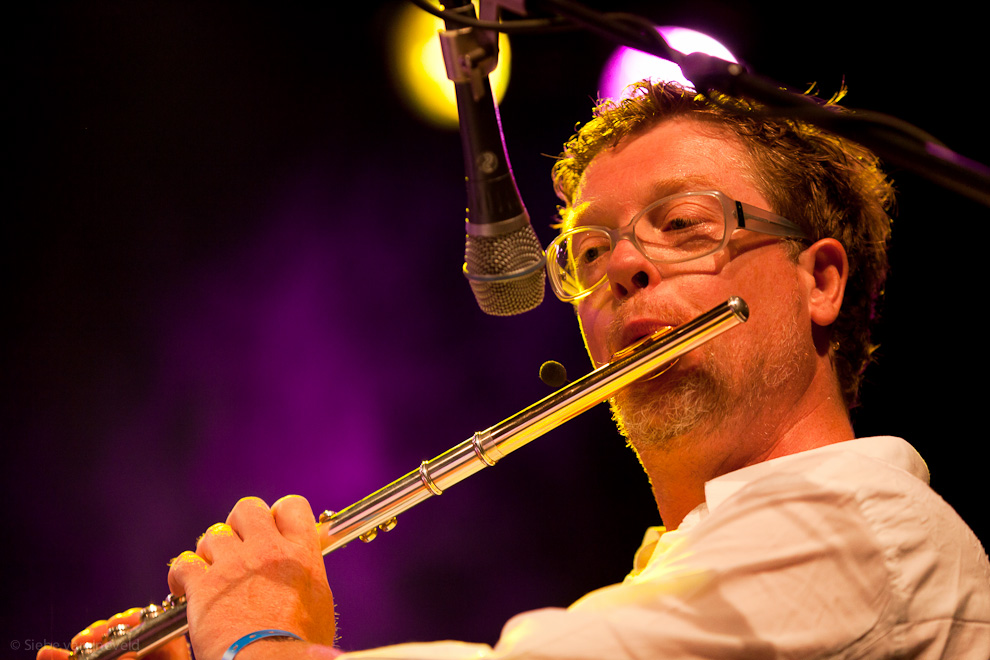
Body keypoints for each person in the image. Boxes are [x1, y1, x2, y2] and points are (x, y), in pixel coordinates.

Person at [41, 81, 990, 660]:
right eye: (589, 249)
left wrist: (258, 636)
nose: (623, 267)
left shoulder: (864, 536)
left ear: (821, 279)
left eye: (685, 226)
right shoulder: (688, 574)